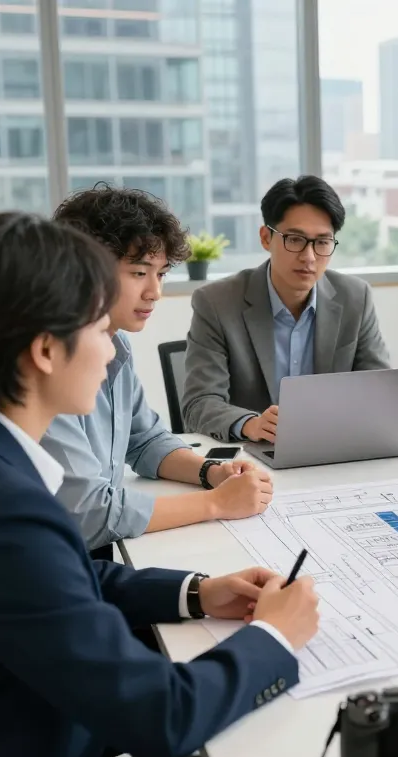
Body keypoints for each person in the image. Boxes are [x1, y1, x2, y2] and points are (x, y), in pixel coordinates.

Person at [0, 212, 320, 757]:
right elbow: (164, 716)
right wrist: (276, 636)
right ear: (44, 350)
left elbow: (65, 581)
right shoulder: (3, 514)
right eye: (97, 331)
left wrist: (197, 592)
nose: (111, 352)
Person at [42, 184, 273, 556]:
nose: (154, 292)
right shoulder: (50, 363)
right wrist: (216, 504)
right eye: (138, 273)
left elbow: (145, 440)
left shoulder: (116, 345)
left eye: (161, 274)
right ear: (85, 271)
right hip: (56, 566)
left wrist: (211, 473)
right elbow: (88, 513)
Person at [182, 175, 392, 443]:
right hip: (252, 459)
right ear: (265, 238)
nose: (309, 257)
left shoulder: (355, 298)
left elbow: (380, 392)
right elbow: (199, 403)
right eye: (294, 239)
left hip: (333, 450)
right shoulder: (216, 303)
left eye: (322, 242)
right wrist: (251, 424)